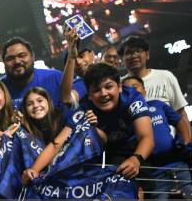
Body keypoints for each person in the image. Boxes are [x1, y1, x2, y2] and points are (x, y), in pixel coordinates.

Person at [22, 63, 154, 184]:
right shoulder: (85, 109)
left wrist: (136, 159)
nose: (103, 94)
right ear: (89, 95)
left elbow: (146, 138)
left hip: (136, 151)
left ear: (119, 87)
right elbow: (58, 143)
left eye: (108, 87)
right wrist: (34, 169)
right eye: (96, 90)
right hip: (103, 158)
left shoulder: (132, 98)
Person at [122, 76, 192, 201]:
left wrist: (185, 142)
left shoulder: (158, 105)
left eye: (136, 87)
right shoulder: (126, 116)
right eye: (127, 90)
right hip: (152, 171)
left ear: (144, 90)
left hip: (176, 164)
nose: (133, 92)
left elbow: (180, 121)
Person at [120, 35, 192, 145]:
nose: (134, 56)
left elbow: (181, 114)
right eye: (129, 53)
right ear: (122, 59)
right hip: (136, 149)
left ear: (147, 54)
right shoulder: (119, 85)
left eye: (138, 51)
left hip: (170, 148)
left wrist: (188, 143)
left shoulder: (165, 76)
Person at [1, 36, 66, 110]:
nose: (17, 61)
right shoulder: (0, 89)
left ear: (32, 57)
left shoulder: (55, 77)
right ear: (4, 63)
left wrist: (74, 94)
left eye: (22, 55)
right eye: (10, 58)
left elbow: (78, 83)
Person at [60, 27, 95, 106]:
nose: (78, 62)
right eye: (74, 61)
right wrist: (71, 57)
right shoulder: (81, 84)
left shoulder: (109, 72)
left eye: (81, 56)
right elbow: (67, 99)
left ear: (92, 55)